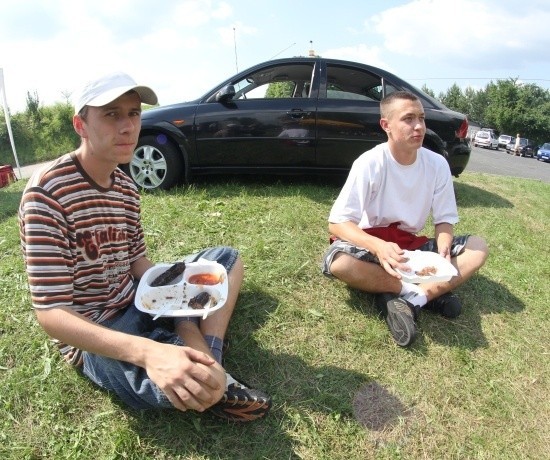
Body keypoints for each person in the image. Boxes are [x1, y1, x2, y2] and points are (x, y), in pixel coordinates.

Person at [18, 72, 271, 422]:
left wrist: (172, 302)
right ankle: (205, 371)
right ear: (81, 125)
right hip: (98, 331)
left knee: (225, 259)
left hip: (138, 298)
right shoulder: (48, 195)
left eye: (134, 113)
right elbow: (53, 315)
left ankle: (204, 353)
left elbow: (138, 261)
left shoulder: (124, 185)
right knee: (190, 388)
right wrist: (148, 354)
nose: (128, 126)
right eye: (111, 114)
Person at [321, 91, 489, 347]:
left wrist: (444, 245)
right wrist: (378, 246)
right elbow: (338, 222)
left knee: (478, 248)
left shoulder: (437, 164)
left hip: (411, 246)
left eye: (421, 118)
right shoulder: (370, 163)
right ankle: (424, 294)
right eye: (408, 119)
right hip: (370, 243)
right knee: (339, 263)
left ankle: (410, 298)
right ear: (386, 125)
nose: (419, 126)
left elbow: (444, 220)